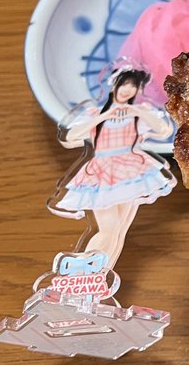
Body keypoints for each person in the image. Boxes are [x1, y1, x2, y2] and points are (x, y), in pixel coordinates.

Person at [48, 69, 176, 270]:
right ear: (114, 84)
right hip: (102, 171)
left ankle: (100, 278)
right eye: (125, 84)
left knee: (120, 230)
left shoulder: (137, 113)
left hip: (130, 169)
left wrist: (138, 112)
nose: (128, 90)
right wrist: (103, 116)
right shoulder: (94, 113)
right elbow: (71, 137)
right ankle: (79, 275)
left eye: (133, 86)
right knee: (108, 229)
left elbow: (164, 130)